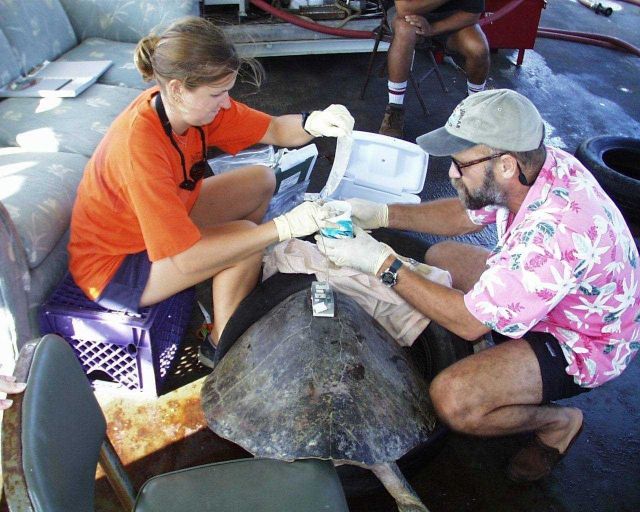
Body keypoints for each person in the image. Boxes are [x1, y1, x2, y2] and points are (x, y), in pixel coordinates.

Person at [318, 89, 640, 482]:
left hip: (581, 340)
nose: (452, 173)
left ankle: (557, 423)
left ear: (505, 164)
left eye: (460, 163)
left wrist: (381, 262)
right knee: (443, 258)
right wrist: (382, 214)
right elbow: (467, 211)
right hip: (554, 293)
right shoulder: (530, 167)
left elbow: (470, 322)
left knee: (453, 401)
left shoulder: (554, 234)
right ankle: (503, 360)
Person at [68, 16, 351, 368]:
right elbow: (186, 258)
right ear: (176, 88)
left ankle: (231, 283)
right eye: (217, 94)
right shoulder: (139, 147)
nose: (226, 103)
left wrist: (314, 122)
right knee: (247, 240)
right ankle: (220, 345)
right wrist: (282, 228)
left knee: (260, 180)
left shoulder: (189, 108)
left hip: (155, 225)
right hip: (117, 267)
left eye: (227, 91)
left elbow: (276, 129)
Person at [379, 0, 490, 138]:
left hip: (450, 17)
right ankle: (394, 110)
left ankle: (473, 107)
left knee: (478, 48)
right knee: (404, 30)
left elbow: (472, 14)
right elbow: (404, 8)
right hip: (406, 13)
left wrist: (433, 29)